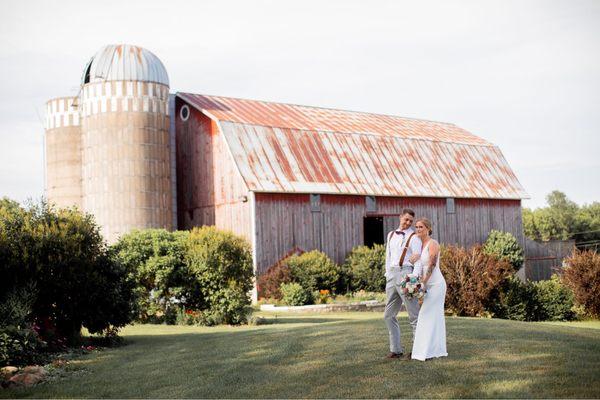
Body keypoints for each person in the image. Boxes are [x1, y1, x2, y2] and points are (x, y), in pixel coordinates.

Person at [383, 208, 422, 359]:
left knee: (413, 315)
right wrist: (388, 275)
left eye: (411, 221)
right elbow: (388, 256)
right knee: (388, 315)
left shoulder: (414, 237)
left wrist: (412, 278)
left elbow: (417, 260)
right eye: (406, 219)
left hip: (407, 274)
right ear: (400, 217)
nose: (408, 223)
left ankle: (417, 349)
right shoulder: (391, 234)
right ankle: (396, 350)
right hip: (392, 275)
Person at [411, 218, 447, 361]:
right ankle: (433, 350)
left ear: (428, 228)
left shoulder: (433, 244)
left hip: (436, 284)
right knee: (431, 316)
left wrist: (423, 283)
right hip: (425, 284)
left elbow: (431, 265)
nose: (418, 229)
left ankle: (427, 351)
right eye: (416, 227)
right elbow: (420, 266)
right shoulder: (419, 245)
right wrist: (415, 281)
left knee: (427, 315)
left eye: (421, 227)